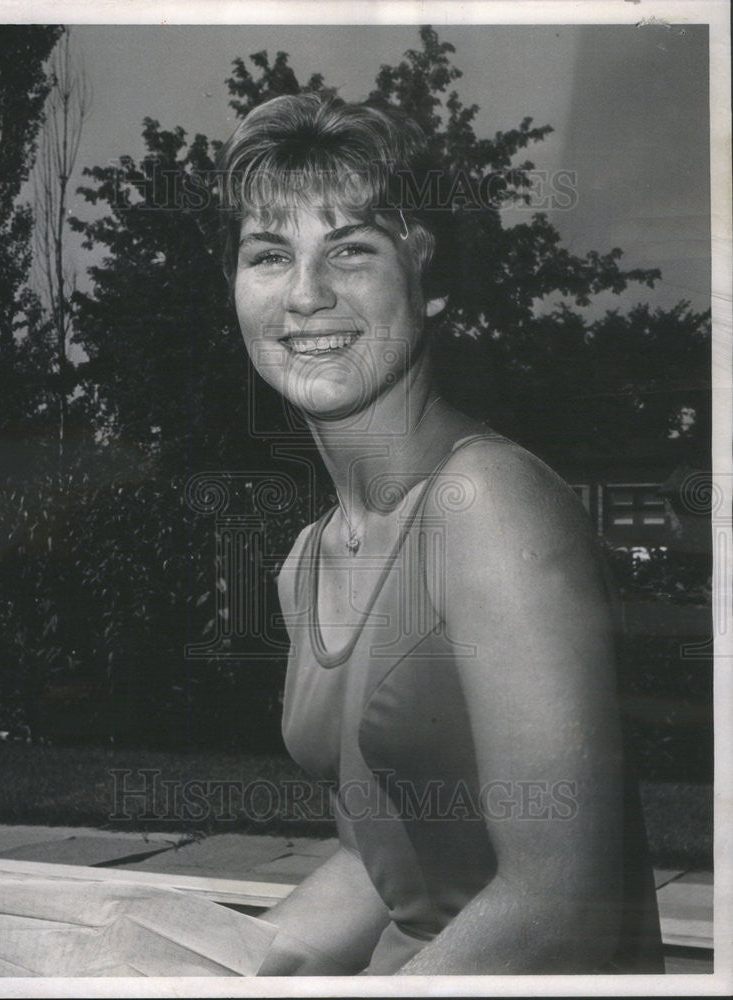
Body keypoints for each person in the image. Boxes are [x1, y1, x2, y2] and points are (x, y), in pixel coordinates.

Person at [215, 93, 664, 976]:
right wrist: (239, 964)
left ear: (431, 277)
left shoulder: (488, 504)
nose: (306, 295)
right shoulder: (306, 562)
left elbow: (560, 906)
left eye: (351, 250)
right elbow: (387, 865)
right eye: (269, 255)